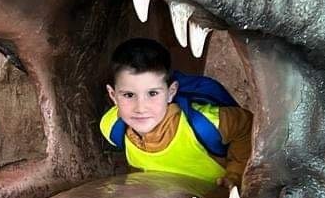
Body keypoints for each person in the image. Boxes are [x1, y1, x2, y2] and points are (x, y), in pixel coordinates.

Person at [100, 38, 252, 188]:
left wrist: (235, 175)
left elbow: (246, 126)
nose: (141, 108)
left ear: (171, 92)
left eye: (152, 93)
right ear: (113, 95)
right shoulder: (111, 126)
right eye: (128, 95)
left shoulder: (204, 123)